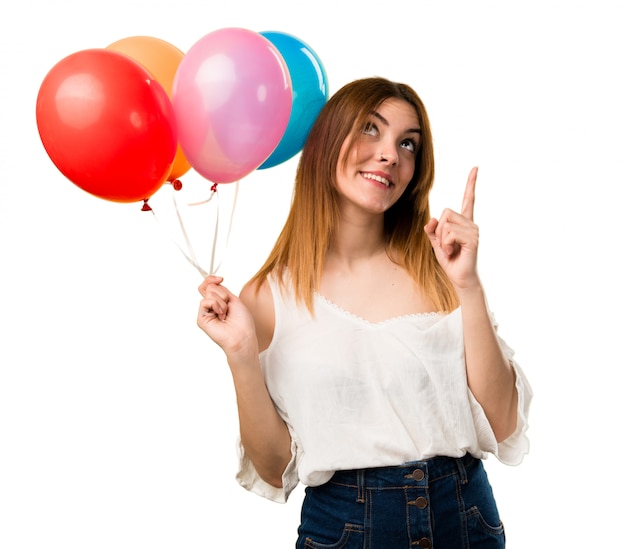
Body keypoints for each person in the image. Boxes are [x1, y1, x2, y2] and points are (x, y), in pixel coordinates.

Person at [197, 77, 532, 548]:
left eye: (407, 143)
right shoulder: (267, 296)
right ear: (328, 141)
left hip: (466, 521)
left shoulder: (441, 267)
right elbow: (274, 470)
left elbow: (503, 422)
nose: (391, 154)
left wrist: (469, 287)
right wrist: (241, 354)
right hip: (346, 530)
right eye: (371, 129)